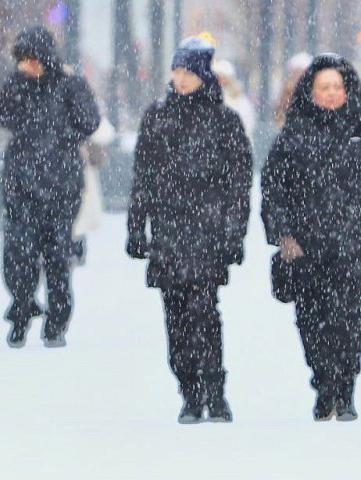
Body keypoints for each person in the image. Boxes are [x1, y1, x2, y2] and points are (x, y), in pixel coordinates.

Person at [261, 53, 361, 422]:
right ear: (310, 91)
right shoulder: (292, 138)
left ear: (347, 91)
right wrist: (282, 233)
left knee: (348, 318)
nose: (330, 93)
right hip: (307, 248)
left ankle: (345, 388)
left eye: (336, 87)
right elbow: (273, 190)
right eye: (323, 87)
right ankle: (323, 382)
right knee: (311, 319)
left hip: (353, 246)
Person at [126, 36, 253, 424]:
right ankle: (188, 389)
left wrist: (234, 232)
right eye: (176, 71)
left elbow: (239, 182)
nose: (180, 79)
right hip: (168, 232)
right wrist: (136, 228)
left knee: (203, 312)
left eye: (187, 72)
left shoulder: (224, 121)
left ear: (203, 76)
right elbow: (143, 176)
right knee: (175, 315)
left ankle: (213, 392)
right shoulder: (157, 117)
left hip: (208, 233)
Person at [0, 26, 101, 348]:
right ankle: (22, 307)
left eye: (31, 58)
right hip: (21, 185)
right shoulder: (18, 86)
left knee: (57, 259)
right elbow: (0, 113)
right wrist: (18, 84)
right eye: (22, 59)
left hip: (61, 187)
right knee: (17, 256)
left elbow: (90, 122)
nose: (27, 65)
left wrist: (64, 132)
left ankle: (56, 321)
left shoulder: (69, 85)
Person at [72, 116, 116, 266]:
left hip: (76, 167)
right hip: (76, 167)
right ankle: (76, 248)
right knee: (79, 213)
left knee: (79, 212)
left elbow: (104, 131)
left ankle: (75, 248)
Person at [212, 59, 256, 141]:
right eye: (218, 77)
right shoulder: (210, 96)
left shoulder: (239, 100)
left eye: (222, 77)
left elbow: (247, 125)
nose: (220, 80)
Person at [272, 52, 313, 129]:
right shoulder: (287, 89)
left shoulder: (313, 90)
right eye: (296, 72)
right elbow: (280, 110)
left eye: (301, 72)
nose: (298, 75)